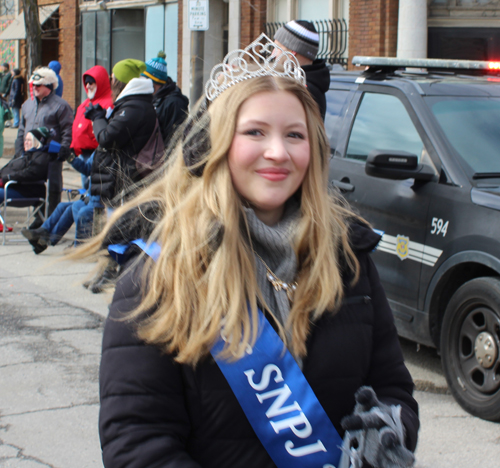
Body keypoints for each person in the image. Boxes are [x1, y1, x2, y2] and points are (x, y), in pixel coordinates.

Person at [73, 35, 419, 468]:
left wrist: (386, 431)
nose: (278, 152)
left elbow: (392, 388)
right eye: (255, 132)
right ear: (215, 144)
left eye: (294, 135)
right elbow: (137, 445)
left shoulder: (347, 258)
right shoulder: (160, 273)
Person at [84, 58, 157, 206]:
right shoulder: (133, 103)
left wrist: (98, 118)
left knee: (106, 222)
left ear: (119, 82)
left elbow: (107, 138)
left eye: (113, 78)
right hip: (122, 177)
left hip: (125, 179)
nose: (110, 82)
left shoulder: (133, 107)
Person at [15, 67, 73, 221]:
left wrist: (63, 150)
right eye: (33, 84)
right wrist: (19, 150)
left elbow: (68, 131)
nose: (34, 88)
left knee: (53, 189)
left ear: (48, 86)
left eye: (38, 85)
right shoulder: (28, 104)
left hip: (50, 155)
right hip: (29, 155)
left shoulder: (61, 106)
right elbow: (21, 129)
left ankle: (52, 222)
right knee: (32, 186)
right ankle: (39, 218)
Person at [21, 153, 102, 254]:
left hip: (99, 199)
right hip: (90, 196)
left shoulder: (111, 154)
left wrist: (90, 196)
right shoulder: (98, 151)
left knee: (73, 208)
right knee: (62, 206)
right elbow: (86, 169)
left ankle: (46, 241)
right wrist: (70, 157)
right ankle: (43, 232)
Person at [273, 20, 330, 120]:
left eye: (277, 48)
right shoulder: (307, 83)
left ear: (292, 53)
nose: (272, 54)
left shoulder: (303, 89)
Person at [71, 65, 113, 188]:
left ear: (100, 82)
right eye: (86, 83)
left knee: (92, 190)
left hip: (97, 155)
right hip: (83, 154)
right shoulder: (85, 104)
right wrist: (73, 146)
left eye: (91, 82)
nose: (88, 85)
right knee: (86, 190)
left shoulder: (108, 103)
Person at [142, 51, 189, 146]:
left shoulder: (174, 103)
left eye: (143, 79)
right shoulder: (153, 98)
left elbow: (175, 138)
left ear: (152, 81)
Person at [0, 127, 58, 205]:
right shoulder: (23, 154)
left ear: (37, 142)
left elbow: (30, 173)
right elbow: (7, 168)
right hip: (12, 187)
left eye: (29, 140)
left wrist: (8, 177)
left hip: (25, 192)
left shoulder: (42, 157)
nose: (26, 143)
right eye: (25, 140)